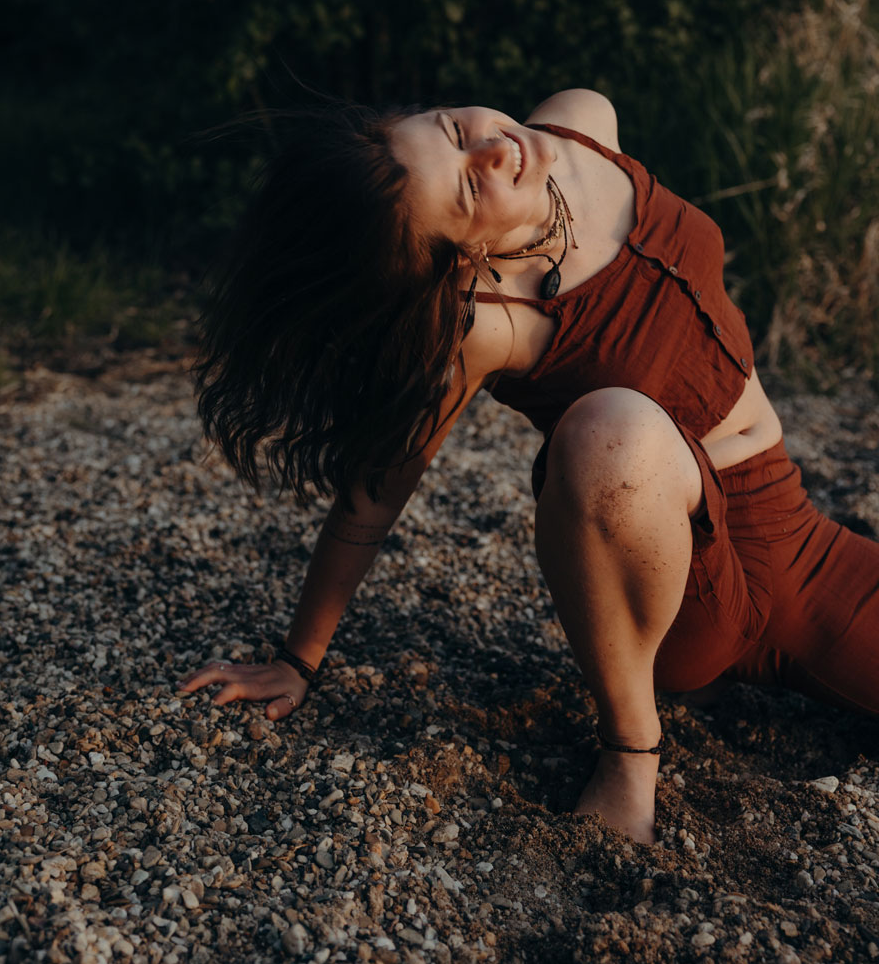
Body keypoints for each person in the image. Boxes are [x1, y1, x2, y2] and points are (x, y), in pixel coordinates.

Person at [181, 89, 879, 843]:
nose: (488, 149)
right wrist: (298, 658)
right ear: (465, 258)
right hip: (676, 599)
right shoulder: (485, 327)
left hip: (793, 534)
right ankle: (630, 752)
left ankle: (716, 685)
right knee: (610, 429)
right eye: (468, 188)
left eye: (452, 129)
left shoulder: (580, 122)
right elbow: (375, 495)